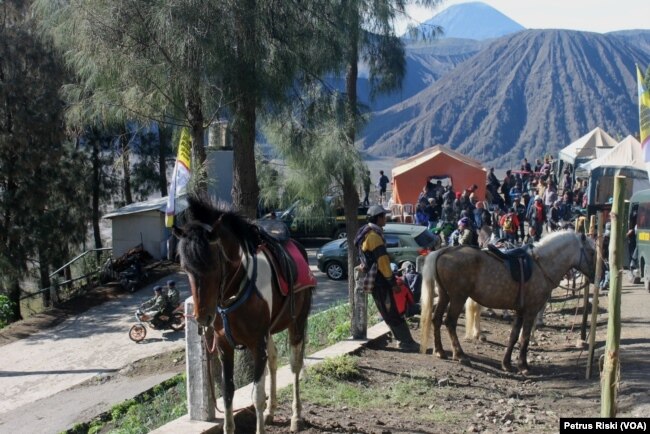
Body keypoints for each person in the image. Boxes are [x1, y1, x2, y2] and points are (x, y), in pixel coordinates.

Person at [354, 205, 419, 351]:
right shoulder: (374, 237)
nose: (386, 218)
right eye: (384, 216)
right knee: (392, 312)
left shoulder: (365, 233)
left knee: (388, 312)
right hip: (381, 281)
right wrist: (392, 282)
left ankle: (403, 341)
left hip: (375, 281)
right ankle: (406, 343)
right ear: (378, 218)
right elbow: (383, 262)